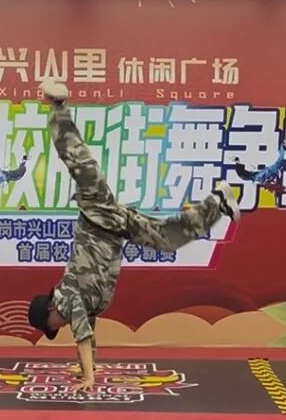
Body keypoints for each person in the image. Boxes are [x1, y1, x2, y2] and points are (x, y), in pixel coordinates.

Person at [26, 80, 239, 391]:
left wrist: (89, 377)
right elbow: (87, 333)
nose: (59, 327)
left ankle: (58, 107)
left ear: (50, 312)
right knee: (168, 238)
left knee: (79, 163)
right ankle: (218, 202)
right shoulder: (80, 306)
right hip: (116, 226)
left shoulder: (67, 299)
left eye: (52, 327)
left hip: (96, 215)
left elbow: (82, 335)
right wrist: (87, 367)